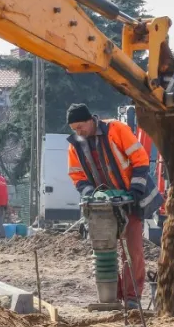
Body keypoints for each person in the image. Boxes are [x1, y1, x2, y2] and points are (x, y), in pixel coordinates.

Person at [65, 103, 163, 310]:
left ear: (91, 120)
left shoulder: (116, 130)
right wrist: (90, 194)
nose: (78, 132)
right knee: (105, 250)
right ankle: (112, 296)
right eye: (74, 129)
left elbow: (140, 159)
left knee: (132, 249)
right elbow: (77, 175)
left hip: (130, 199)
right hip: (102, 206)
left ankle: (131, 297)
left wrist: (135, 191)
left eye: (80, 126)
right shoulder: (75, 145)